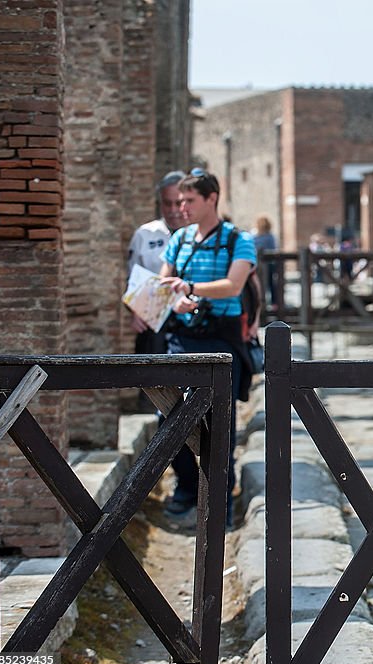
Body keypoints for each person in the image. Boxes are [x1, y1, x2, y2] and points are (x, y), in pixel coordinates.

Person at [159, 168, 257, 526]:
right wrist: (177, 300)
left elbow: (233, 285)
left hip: (222, 339)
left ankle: (220, 507)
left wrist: (191, 289)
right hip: (180, 337)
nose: (181, 207)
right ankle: (186, 490)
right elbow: (164, 283)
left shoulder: (239, 240)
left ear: (211, 199)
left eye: (189, 200)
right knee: (168, 418)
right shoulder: (178, 239)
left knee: (219, 424)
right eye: (179, 201)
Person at [127, 170, 187, 354]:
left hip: (193, 322)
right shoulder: (144, 234)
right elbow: (132, 281)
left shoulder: (202, 234)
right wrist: (134, 311)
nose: (173, 210)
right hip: (154, 322)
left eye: (178, 203)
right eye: (167, 204)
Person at [252, 215, 278, 303]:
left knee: (260, 284)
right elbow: (273, 249)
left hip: (258, 264)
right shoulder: (270, 237)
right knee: (271, 284)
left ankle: (260, 302)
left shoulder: (254, 237)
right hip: (270, 263)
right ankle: (274, 303)